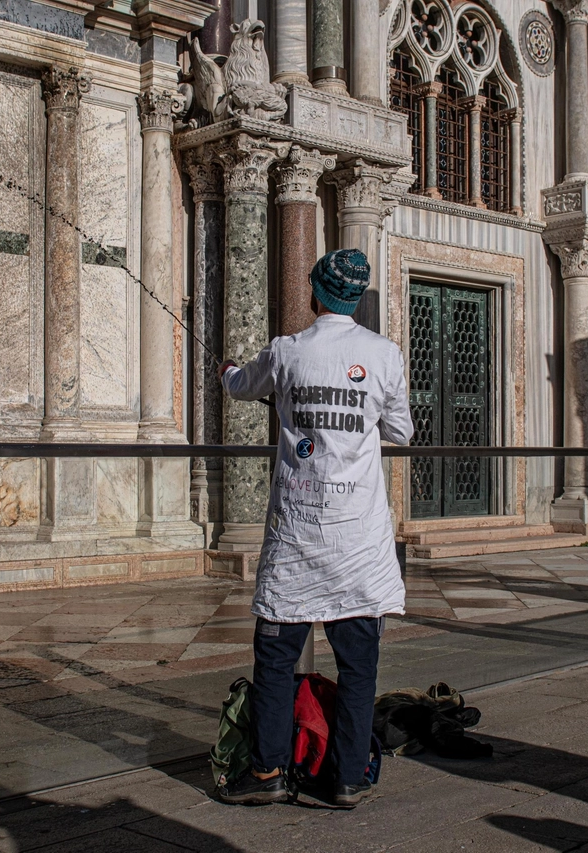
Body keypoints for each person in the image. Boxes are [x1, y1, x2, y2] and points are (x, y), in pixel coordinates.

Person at [215, 248, 414, 808]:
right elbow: (401, 430)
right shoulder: (385, 354)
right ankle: (349, 778)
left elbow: (240, 386)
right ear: (356, 299)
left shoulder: (286, 352)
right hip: (358, 541)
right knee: (358, 666)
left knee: (275, 660)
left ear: (315, 294)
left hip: (298, 537)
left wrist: (228, 371)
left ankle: (268, 773)